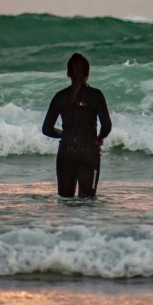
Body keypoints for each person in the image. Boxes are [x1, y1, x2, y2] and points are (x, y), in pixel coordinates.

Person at [42, 53, 112, 198]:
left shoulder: (59, 97)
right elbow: (107, 126)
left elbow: (46, 129)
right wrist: (99, 138)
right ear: (87, 74)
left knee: (65, 202)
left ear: (68, 73)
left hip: (66, 152)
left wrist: (65, 134)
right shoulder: (96, 95)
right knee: (87, 203)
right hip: (89, 152)